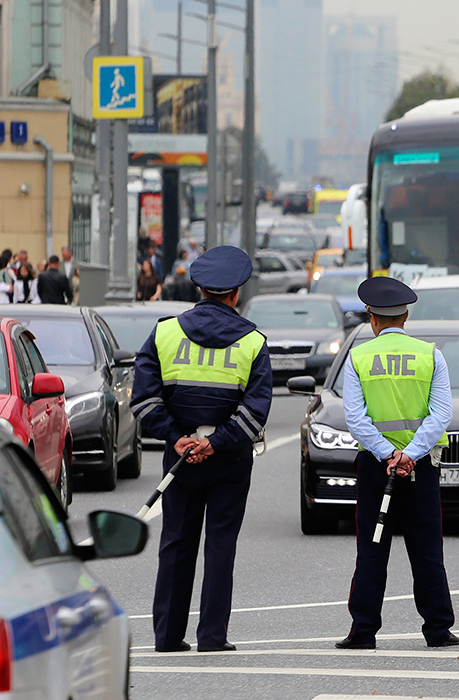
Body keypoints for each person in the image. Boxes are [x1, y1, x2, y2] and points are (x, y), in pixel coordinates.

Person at [131, 245, 273, 654]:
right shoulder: (252, 341)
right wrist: (216, 442)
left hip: (180, 457)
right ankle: (212, 637)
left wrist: (176, 437)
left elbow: (143, 400)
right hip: (228, 460)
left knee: (175, 544)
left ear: (198, 288)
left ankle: (167, 637)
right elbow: (256, 410)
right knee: (220, 546)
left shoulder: (164, 333)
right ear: (236, 294)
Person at [337, 276, 458, 651]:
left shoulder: (358, 356)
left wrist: (387, 455)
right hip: (420, 469)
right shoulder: (430, 355)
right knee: (426, 550)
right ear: (405, 316)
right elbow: (441, 414)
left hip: (376, 468)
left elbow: (356, 419)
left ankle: (363, 631)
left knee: (372, 548)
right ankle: (438, 630)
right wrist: (410, 455)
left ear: (372, 319)